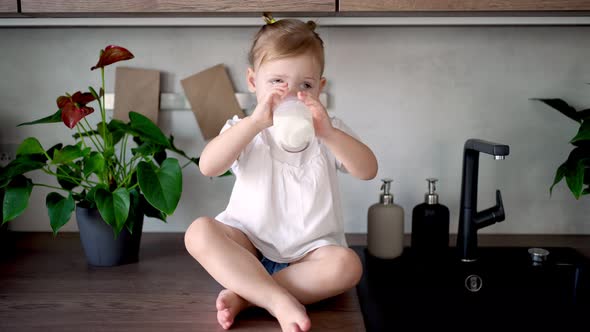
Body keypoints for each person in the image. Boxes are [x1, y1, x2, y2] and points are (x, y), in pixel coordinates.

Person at [184, 13, 378, 332]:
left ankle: (248, 295)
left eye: (305, 85)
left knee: (347, 265)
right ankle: (277, 300)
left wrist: (328, 133)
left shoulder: (329, 131)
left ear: (320, 87)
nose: (290, 94)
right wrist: (254, 123)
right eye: (277, 82)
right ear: (252, 82)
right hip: (248, 245)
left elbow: (367, 170)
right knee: (198, 232)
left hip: (309, 255)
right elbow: (208, 166)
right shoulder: (244, 128)